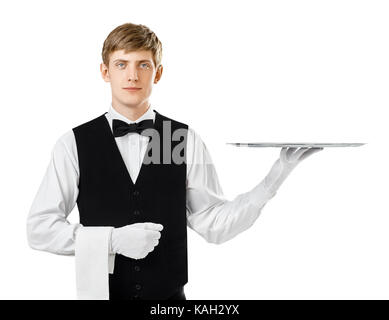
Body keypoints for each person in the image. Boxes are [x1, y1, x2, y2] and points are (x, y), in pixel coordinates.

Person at [26, 22, 322, 300]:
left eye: (143, 64)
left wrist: (274, 179)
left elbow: (214, 224)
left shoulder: (180, 138)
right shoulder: (73, 143)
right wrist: (111, 241)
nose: (132, 76)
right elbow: (39, 229)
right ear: (105, 72)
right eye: (121, 65)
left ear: (158, 73)